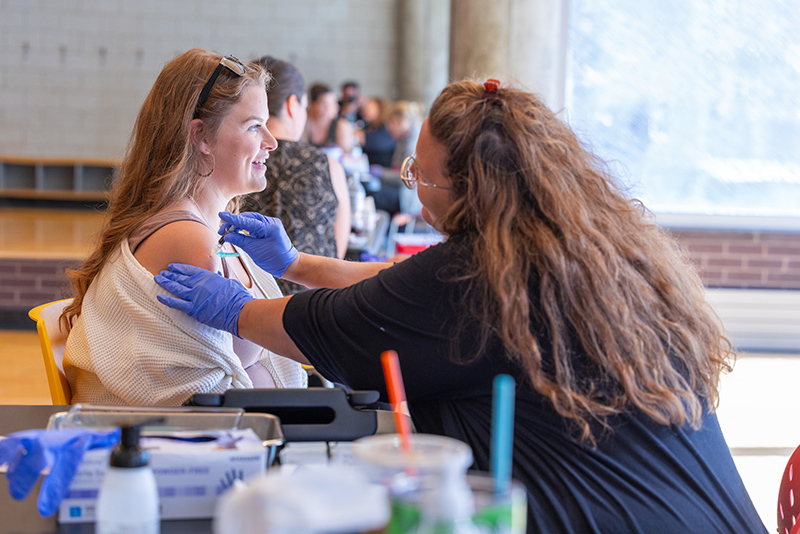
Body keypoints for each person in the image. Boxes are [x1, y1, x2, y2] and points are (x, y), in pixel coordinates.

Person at [155, 79, 766, 533]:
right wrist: (294, 265)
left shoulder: (477, 275)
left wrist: (234, 308)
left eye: (422, 173)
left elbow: (337, 325)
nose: (413, 183)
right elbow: (396, 284)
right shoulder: (593, 251)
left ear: (477, 191)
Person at [61, 49, 307, 407]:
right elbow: (232, 381)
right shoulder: (189, 238)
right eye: (254, 126)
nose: (271, 142)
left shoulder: (203, 228)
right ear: (201, 138)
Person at [241, 56, 350, 295]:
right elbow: (337, 254)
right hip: (315, 309)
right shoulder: (328, 166)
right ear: (292, 105)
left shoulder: (238, 163)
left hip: (249, 302)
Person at [304, 83, 356, 154]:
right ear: (312, 105)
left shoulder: (341, 126)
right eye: (324, 104)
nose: (328, 109)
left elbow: (347, 155)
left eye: (331, 104)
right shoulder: (305, 124)